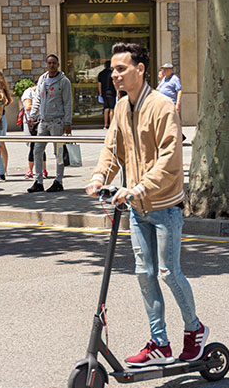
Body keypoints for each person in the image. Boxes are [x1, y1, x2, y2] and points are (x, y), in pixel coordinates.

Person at [86, 42, 209, 367]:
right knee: (144, 273)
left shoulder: (162, 106)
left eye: (121, 68)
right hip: (138, 209)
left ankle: (194, 330)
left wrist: (139, 187)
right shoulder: (123, 108)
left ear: (140, 70)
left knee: (169, 272)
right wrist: (100, 177)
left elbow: (170, 157)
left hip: (164, 207)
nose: (114, 75)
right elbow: (113, 150)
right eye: (112, 69)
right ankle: (160, 343)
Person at [27, 54, 72, 193]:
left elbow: (68, 102)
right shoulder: (42, 79)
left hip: (57, 122)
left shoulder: (64, 81)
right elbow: (37, 100)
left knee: (58, 153)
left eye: (54, 63)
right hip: (43, 122)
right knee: (37, 151)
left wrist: (68, 122)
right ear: (46, 65)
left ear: (58, 65)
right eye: (49, 63)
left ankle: (58, 181)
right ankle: (38, 181)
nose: (51, 65)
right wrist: (32, 116)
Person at [20, 80, 46, 179]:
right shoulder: (29, 92)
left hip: (41, 121)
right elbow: (27, 107)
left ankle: (43, 170)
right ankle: (31, 170)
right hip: (32, 123)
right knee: (33, 146)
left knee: (41, 146)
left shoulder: (44, 92)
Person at [98, 60, 116, 129]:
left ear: (105, 66)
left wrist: (100, 93)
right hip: (111, 92)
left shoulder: (101, 73)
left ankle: (105, 125)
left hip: (104, 93)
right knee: (112, 109)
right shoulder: (112, 73)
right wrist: (117, 91)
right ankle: (111, 124)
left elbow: (99, 84)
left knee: (106, 108)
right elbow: (114, 83)